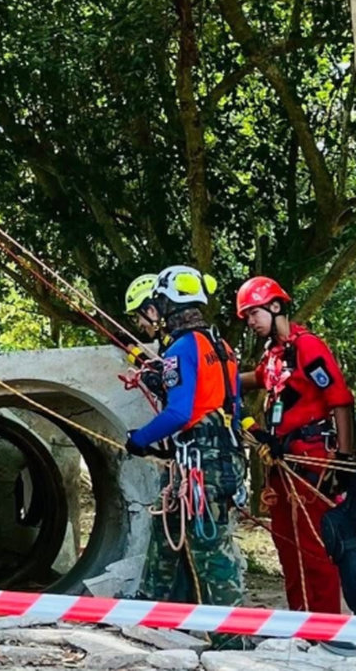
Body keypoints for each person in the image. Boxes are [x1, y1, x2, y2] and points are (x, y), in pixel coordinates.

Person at [125, 265, 245, 638]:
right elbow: (229, 404)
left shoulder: (180, 349)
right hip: (222, 451)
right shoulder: (220, 346)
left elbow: (180, 411)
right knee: (170, 530)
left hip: (199, 460)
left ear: (166, 304)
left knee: (211, 550)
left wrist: (140, 439)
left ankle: (231, 639)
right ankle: (154, 610)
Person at [238, 276, 355, 614]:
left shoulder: (308, 347)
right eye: (246, 317)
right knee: (287, 545)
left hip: (311, 459)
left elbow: (341, 402)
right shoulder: (276, 355)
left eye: (253, 313)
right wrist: (212, 375)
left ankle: (326, 629)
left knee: (314, 547)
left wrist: (342, 463)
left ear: (275, 307)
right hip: (281, 461)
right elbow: (255, 379)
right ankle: (299, 624)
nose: (250, 322)